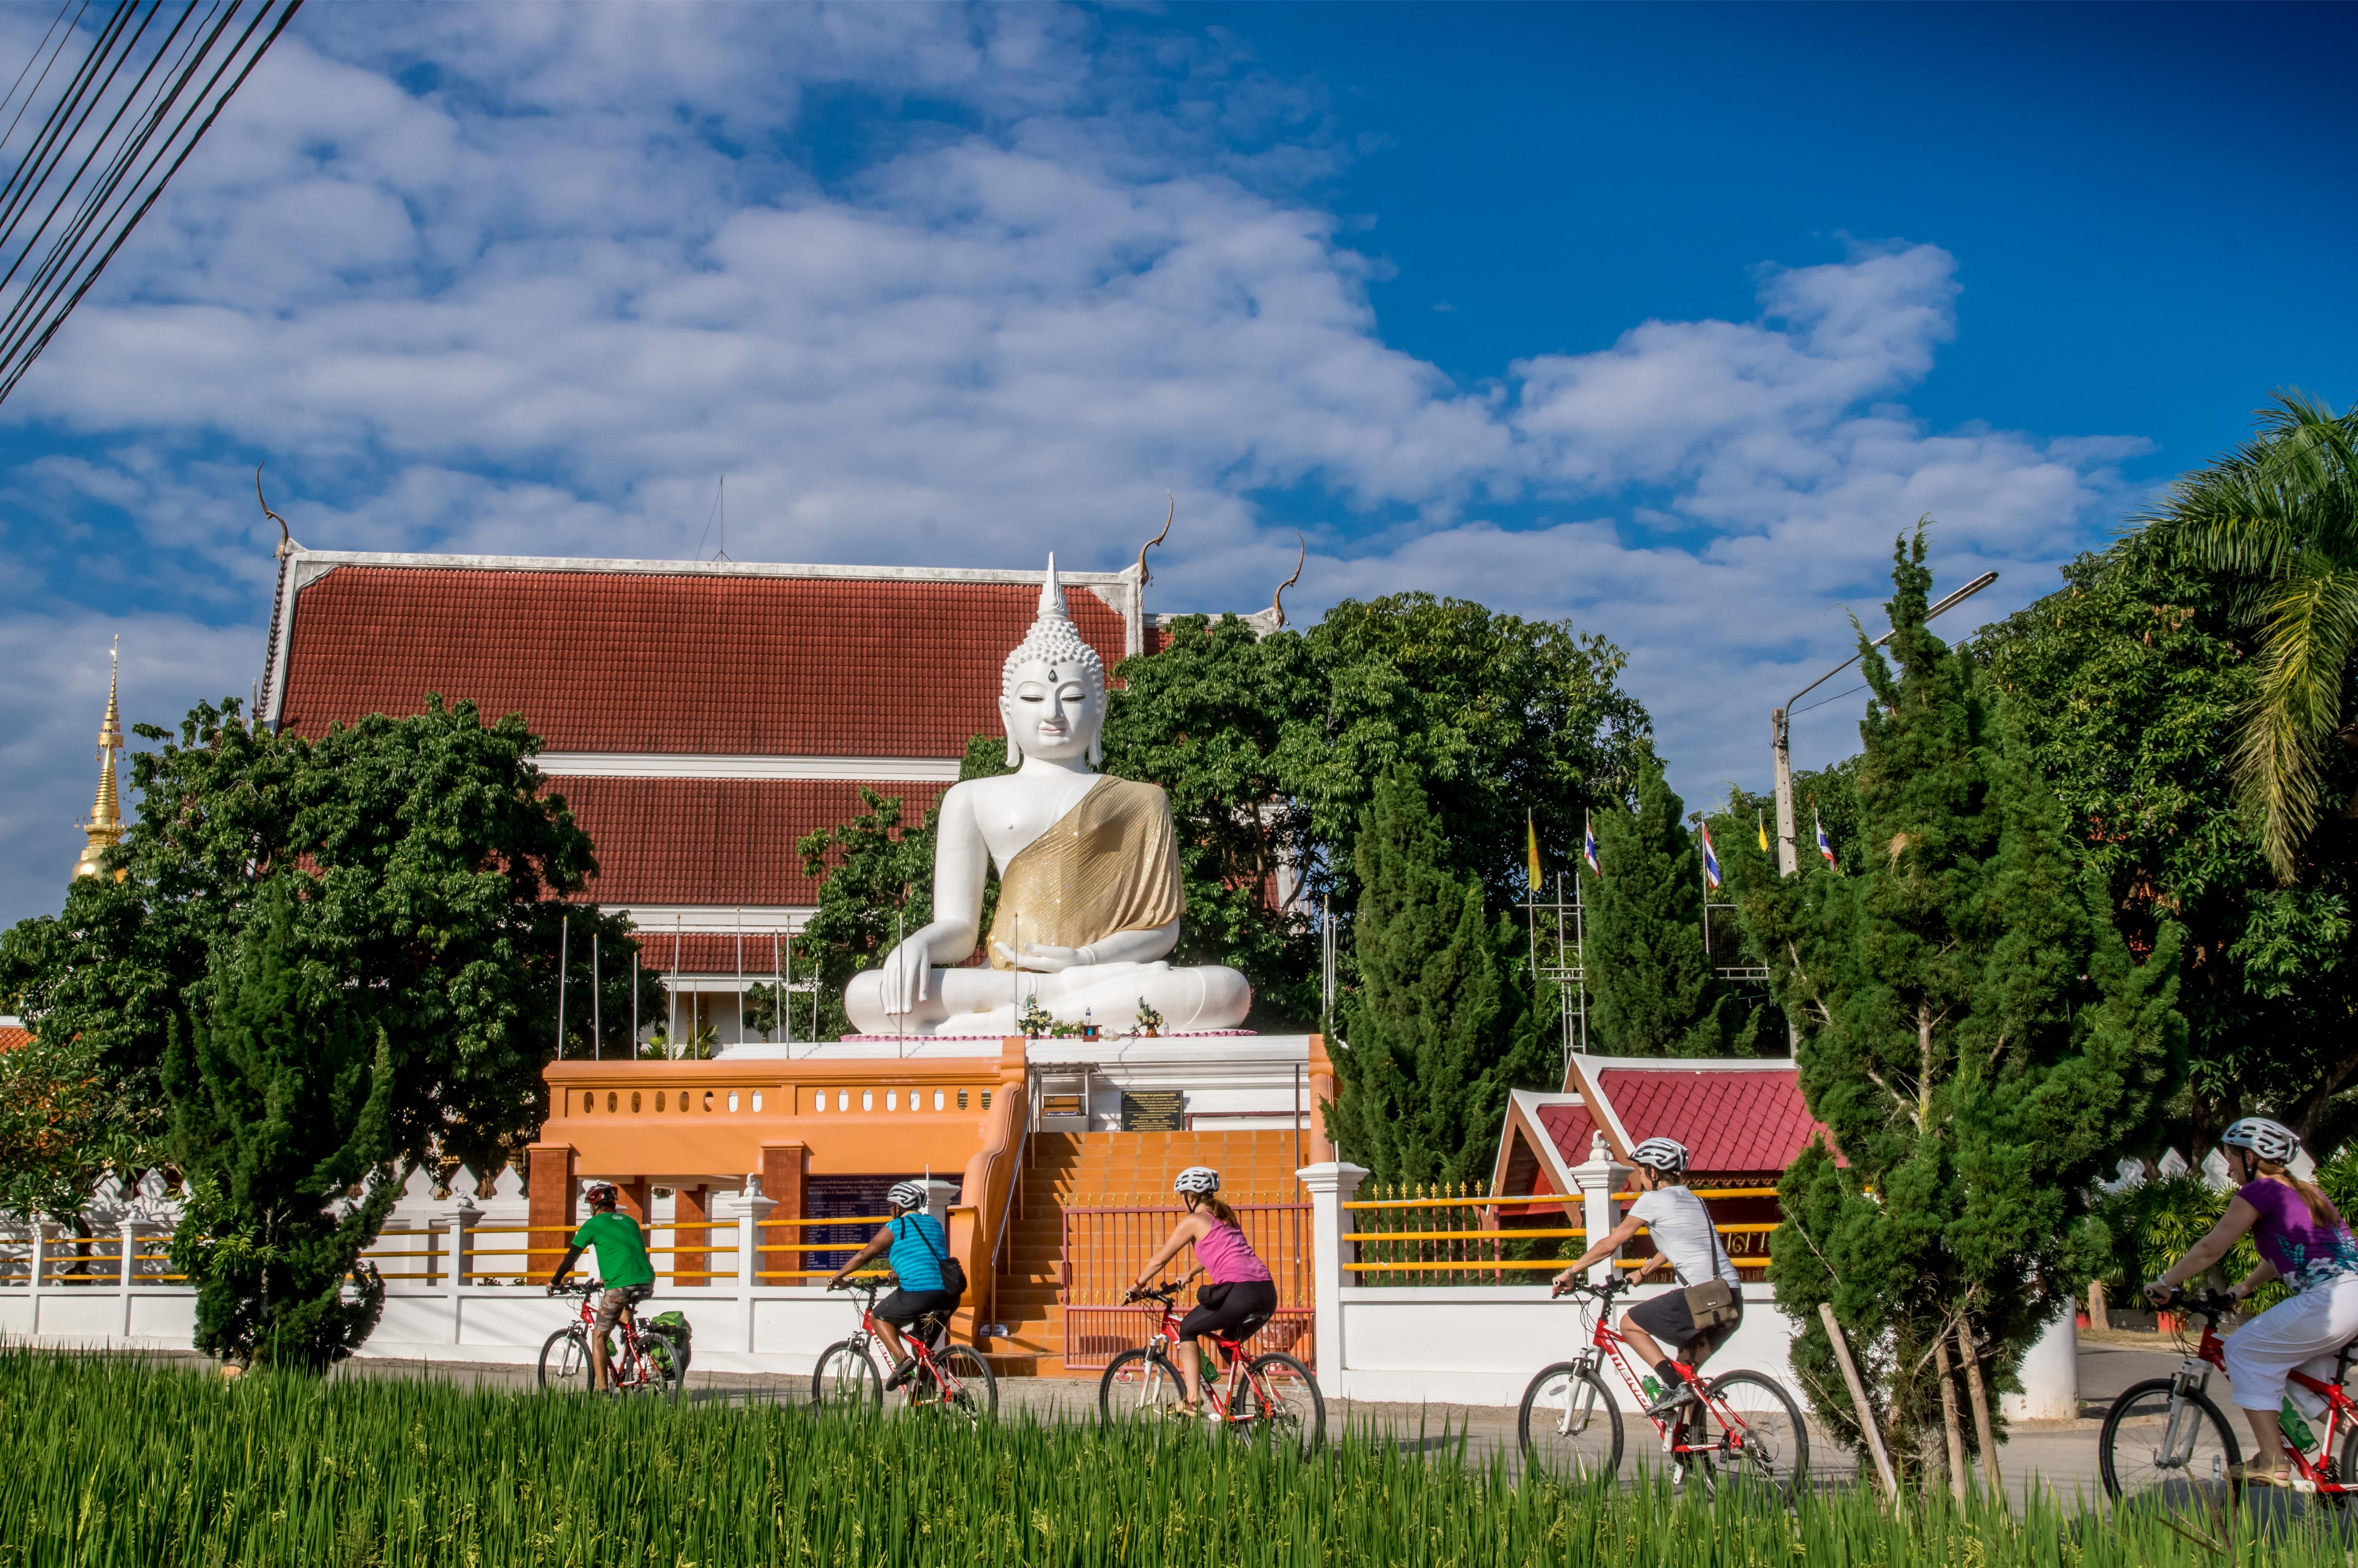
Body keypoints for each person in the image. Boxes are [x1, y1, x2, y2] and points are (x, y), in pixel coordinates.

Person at [2145, 1117, 2358, 1486]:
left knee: (2242, 1349)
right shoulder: (2306, 1191)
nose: (2227, 1166)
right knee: (2305, 1382)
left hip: (2330, 1302)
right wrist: (2241, 1289)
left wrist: (2165, 1283)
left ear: (2251, 1157)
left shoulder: (2258, 1194)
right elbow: (2285, 1256)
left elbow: (2211, 1248)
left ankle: (2273, 1461)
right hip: (2349, 1297)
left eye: (2231, 1157)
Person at [1551, 1136, 1743, 1416]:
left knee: (1629, 1324)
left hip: (1700, 1299)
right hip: (1731, 1298)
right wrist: (1642, 1273)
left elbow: (1610, 1243)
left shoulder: (1652, 1200)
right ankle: (1688, 1454)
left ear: (1653, 1172)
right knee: (1688, 1375)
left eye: (1641, 1171)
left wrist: (1569, 1273)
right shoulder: (1694, 1200)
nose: (1639, 1177)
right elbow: (1676, 1245)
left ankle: (1672, 1385)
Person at [1128, 1167, 1278, 1418]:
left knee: (1187, 1328)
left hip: (1240, 1292)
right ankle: (1266, 1402)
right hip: (1265, 1291)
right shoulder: (1226, 1218)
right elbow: (1222, 1251)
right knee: (1228, 1346)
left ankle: (1191, 1400)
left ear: (1191, 1196)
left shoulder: (1194, 1221)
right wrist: (1189, 1274)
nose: (1181, 1201)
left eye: (1182, 1195)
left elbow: (1160, 1260)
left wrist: (1137, 1286)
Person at [829, 1179, 962, 1389]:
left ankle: (902, 1360)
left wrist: (838, 1276)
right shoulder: (934, 1224)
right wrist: (897, 1274)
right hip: (949, 1294)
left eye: (891, 1206)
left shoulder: (897, 1226)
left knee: (878, 1318)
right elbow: (925, 1259)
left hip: (919, 1293)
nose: (891, 1210)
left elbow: (866, 1254)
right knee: (922, 1349)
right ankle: (924, 1400)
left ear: (898, 1207)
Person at [547, 1182, 656, 1392]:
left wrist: (555, 1281)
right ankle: (633, 1353)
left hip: (621, 1285)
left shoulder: (593, 1224)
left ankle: (603, 1393)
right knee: (621, 1313)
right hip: (646, 1280)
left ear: (594, 1207)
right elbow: (625, 1253)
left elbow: (571, 1258)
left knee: (599, 1336)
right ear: (613, 1205)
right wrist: (604, 1281)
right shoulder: (630, 1221)